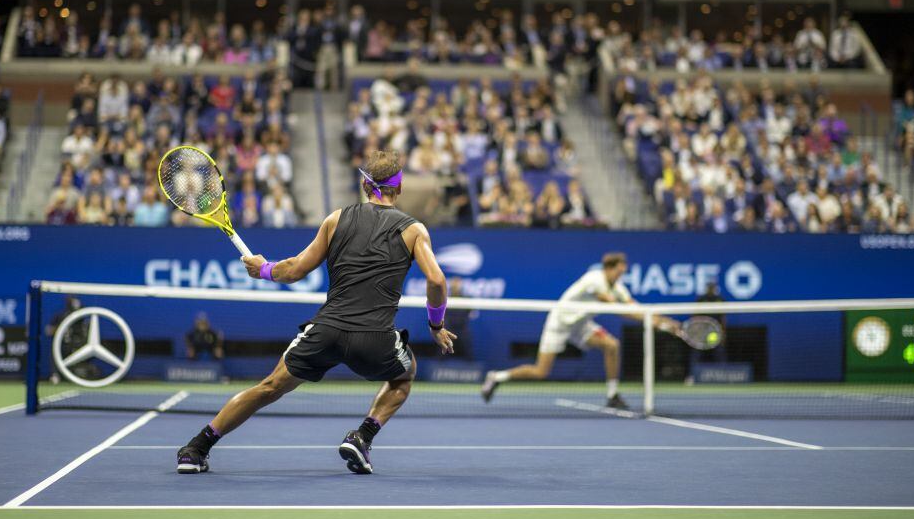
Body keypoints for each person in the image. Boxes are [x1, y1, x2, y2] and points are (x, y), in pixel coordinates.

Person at [176, 150, 456, 475]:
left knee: (269, 387)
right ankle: (362, 437)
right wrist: (436, 324)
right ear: (400, 187)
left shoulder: (335, 219)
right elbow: (436, 279)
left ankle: (196, 448)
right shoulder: (414, 230)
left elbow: (294, 270)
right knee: (404, 375)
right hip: (374, 338)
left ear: (365, 186)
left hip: (326, 331)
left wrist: (264, 269)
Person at [480, 252, 680, 410]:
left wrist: (663, 321)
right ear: (609, 269)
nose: (620, 275)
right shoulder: (595, 279)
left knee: (612, 345)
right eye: (619, 271)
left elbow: (634, 306)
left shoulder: (617, 287)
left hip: (581, 323)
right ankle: (496, 377)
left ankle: (612, 395)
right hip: (561, 320)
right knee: (541, 371)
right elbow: (620, 309)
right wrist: (651, 321)